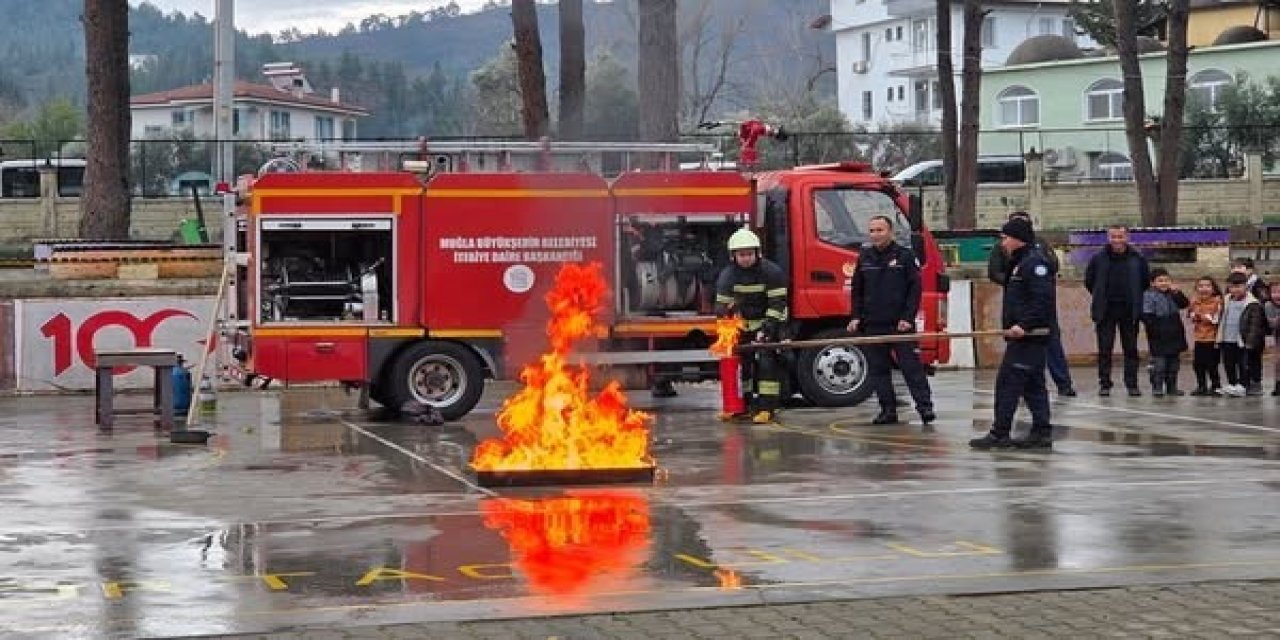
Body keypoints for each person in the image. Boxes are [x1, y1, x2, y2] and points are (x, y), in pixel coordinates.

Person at [970, 217, 1055, 450]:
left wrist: (1024, 326)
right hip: (1024, 335)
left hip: (1030, 336)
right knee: (1033, 385)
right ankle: (1042, 432)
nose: (1003, 242)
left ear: (1018, 239)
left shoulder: (1034, 264)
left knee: (1008, 383)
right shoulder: (1019, 262)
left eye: (1006, 238)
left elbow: (1042, 301)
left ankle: (1000, 433)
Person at [847, 215, 935, 425]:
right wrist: (856, 316)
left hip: (899, 324)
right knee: (878, 370)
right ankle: (888, 410)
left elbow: (914, 290)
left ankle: (925, 408)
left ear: (891, 232)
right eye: (872, 231)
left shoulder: (905, 256)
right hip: (873, 324)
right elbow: (857, 290)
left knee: (911, 368)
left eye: (880, 230)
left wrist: (907, 318)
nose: (875, 235)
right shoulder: (865, 257)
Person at [987, 211, 1075, 396]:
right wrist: (1013, 283)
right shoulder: (1003, 249)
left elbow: (1050, 269)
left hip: (1036, 315)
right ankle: (1024, 391)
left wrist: (1023, 283)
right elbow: (994, 272)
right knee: (1021, 369)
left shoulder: (1038, 250)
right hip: (1018, 311)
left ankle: (1062, 383)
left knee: (1051, 346)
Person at [714, 227, 789, 424]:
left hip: (769, 323)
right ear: (733, 256)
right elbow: (721, 308)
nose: (746, 258)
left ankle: (767, 408)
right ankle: (741, 407)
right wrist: (728, 330)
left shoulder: (771, 272)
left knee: (766, 365)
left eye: (749, 254)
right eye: (741, 255)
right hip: (742, 326)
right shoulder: (727, 275)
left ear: (757, 253)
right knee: (741, 368)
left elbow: (777, 305)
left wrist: (766, 330)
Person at [1084, 225, 1150, 397]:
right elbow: (1089, 281)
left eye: (1120, 236)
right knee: (1105, 349)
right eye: (1113, 237)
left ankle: (1132, 384)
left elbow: (1144, 282)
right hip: (1105, 310)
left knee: (1131, 349)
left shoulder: (1138, 258)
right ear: (1108, 237)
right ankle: (1105, 384)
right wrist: (1100, 296)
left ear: (1127, 237)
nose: (1117, 240)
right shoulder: (1098, 258)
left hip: (1129, 310)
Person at [1139, 268, 1190, 397]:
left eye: (1167, 280)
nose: (1164, 283)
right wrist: (1155, 329)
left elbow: (1184, 304)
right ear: (1152, 283)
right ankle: (1157, 387)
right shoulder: (1148, 295)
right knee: (1159, 364)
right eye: (1160, 281)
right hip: (1158, 334)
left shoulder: (1173, 294)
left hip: (1175, 332)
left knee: (1174, 364)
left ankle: (1172, 387)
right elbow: (1146, 316)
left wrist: (1177, 293)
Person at [1216, 272, 1267, 397]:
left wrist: (1250, 342)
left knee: (1243, 364)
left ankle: (1243, 385)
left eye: (1238, 286)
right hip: (1227, 338)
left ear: (1245, 286)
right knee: (1228, 363)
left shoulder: (1252, 303)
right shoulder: (1226, 300)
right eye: (1232, 287)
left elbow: (1255, 325)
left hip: (1242, 340)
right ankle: (1232, 384)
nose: (1235, 290)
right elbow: (1221, 317)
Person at [1230, 258, 1270, 395]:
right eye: (1233, 268)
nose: (1235, 270)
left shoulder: (1259, 285)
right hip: (1240, 329)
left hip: (1255, 328)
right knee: (1241, 359)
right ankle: (1243, 383)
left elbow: (1263, 302)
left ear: (1250, 270)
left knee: (1254, 357)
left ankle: (1256, 383)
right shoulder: (1232, 285)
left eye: (1239, 267)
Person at [1187, 276, 1224, 396]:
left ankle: (1216, 386)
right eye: (1201, 286)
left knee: (1212, 364)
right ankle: (1201, 386)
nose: (1204, 288)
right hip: (1199, 337)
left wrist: (1200, 316)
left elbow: (1214, 319)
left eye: (1208, 286)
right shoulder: (1195, 301)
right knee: (1198, 364)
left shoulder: (1217, 302)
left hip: (1213, 338)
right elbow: (1191, 315)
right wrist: (1195, 315)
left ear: (1213, 289)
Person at [1266, 285, 1280, 396]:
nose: (1278, 295)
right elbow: (1272, 324)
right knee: (1278, 361)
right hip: (1277, 336)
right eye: (1274, 292)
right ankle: (1278, 384)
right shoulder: (1268, 305)